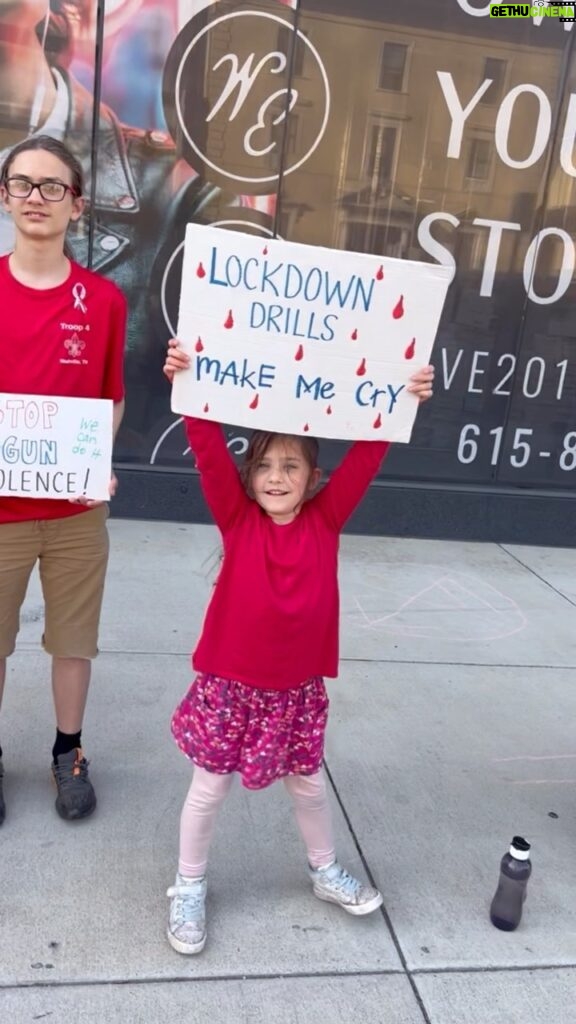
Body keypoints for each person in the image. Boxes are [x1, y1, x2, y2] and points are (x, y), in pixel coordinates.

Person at [162, 338, 434, 954]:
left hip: (296, 690)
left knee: (309, 785)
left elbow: (370, 452)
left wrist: (403, 397)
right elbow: (206, 452)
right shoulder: (236, 518)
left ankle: (323, 870)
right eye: (264, 466)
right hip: (231, 685)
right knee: (209, 787)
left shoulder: (326, 518)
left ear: (314, 478)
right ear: (248, 477)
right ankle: (188, 886)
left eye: (291, 467)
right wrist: (189, 384)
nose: (276, 478)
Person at [0, 134, 126, 825]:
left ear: (76, 205)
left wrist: (92, 460)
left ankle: (68, 750)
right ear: (5, 196)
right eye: (24, 183)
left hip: (77, 511)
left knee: (73, 641)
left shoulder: (103, 301)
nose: (37, 197)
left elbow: (111, 399)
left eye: (53, 187)